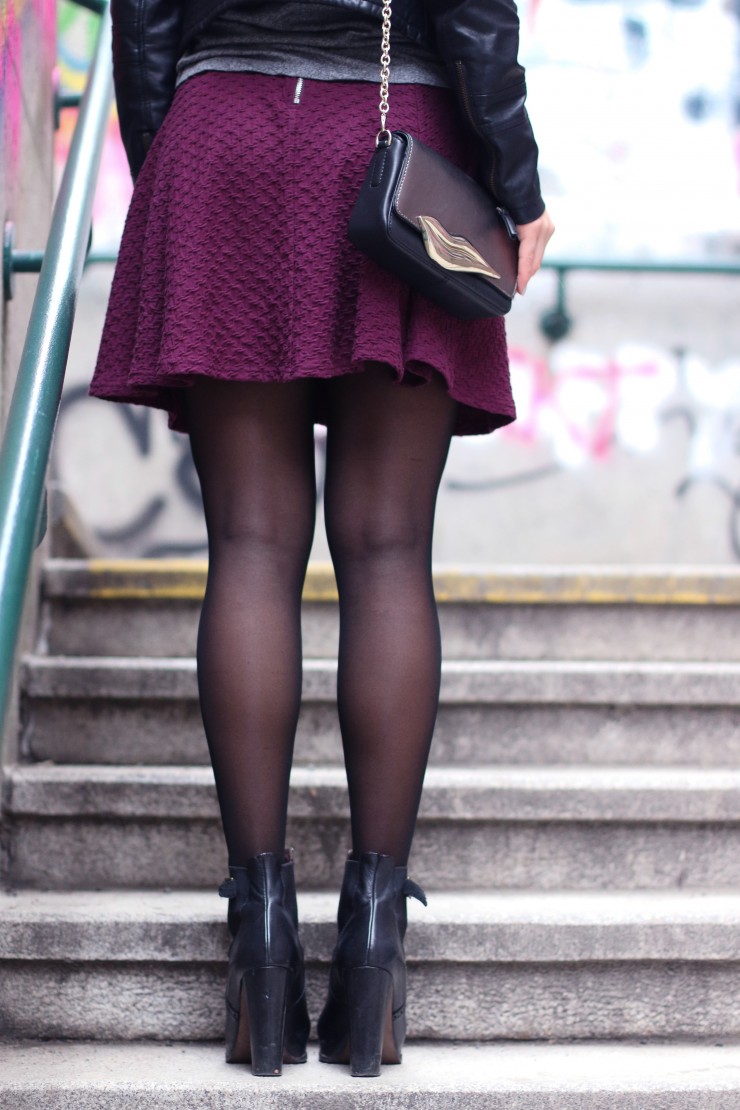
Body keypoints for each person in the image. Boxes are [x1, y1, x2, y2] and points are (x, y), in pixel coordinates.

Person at [91, 0, 554, 1080]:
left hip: (222, 137)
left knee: (249, 545)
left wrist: (186, 170)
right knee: (387, 547)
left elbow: (141, 27)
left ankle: (258, 941)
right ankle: (372, 951)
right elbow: (475, 18)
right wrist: (518, 184)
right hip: (395, 140)